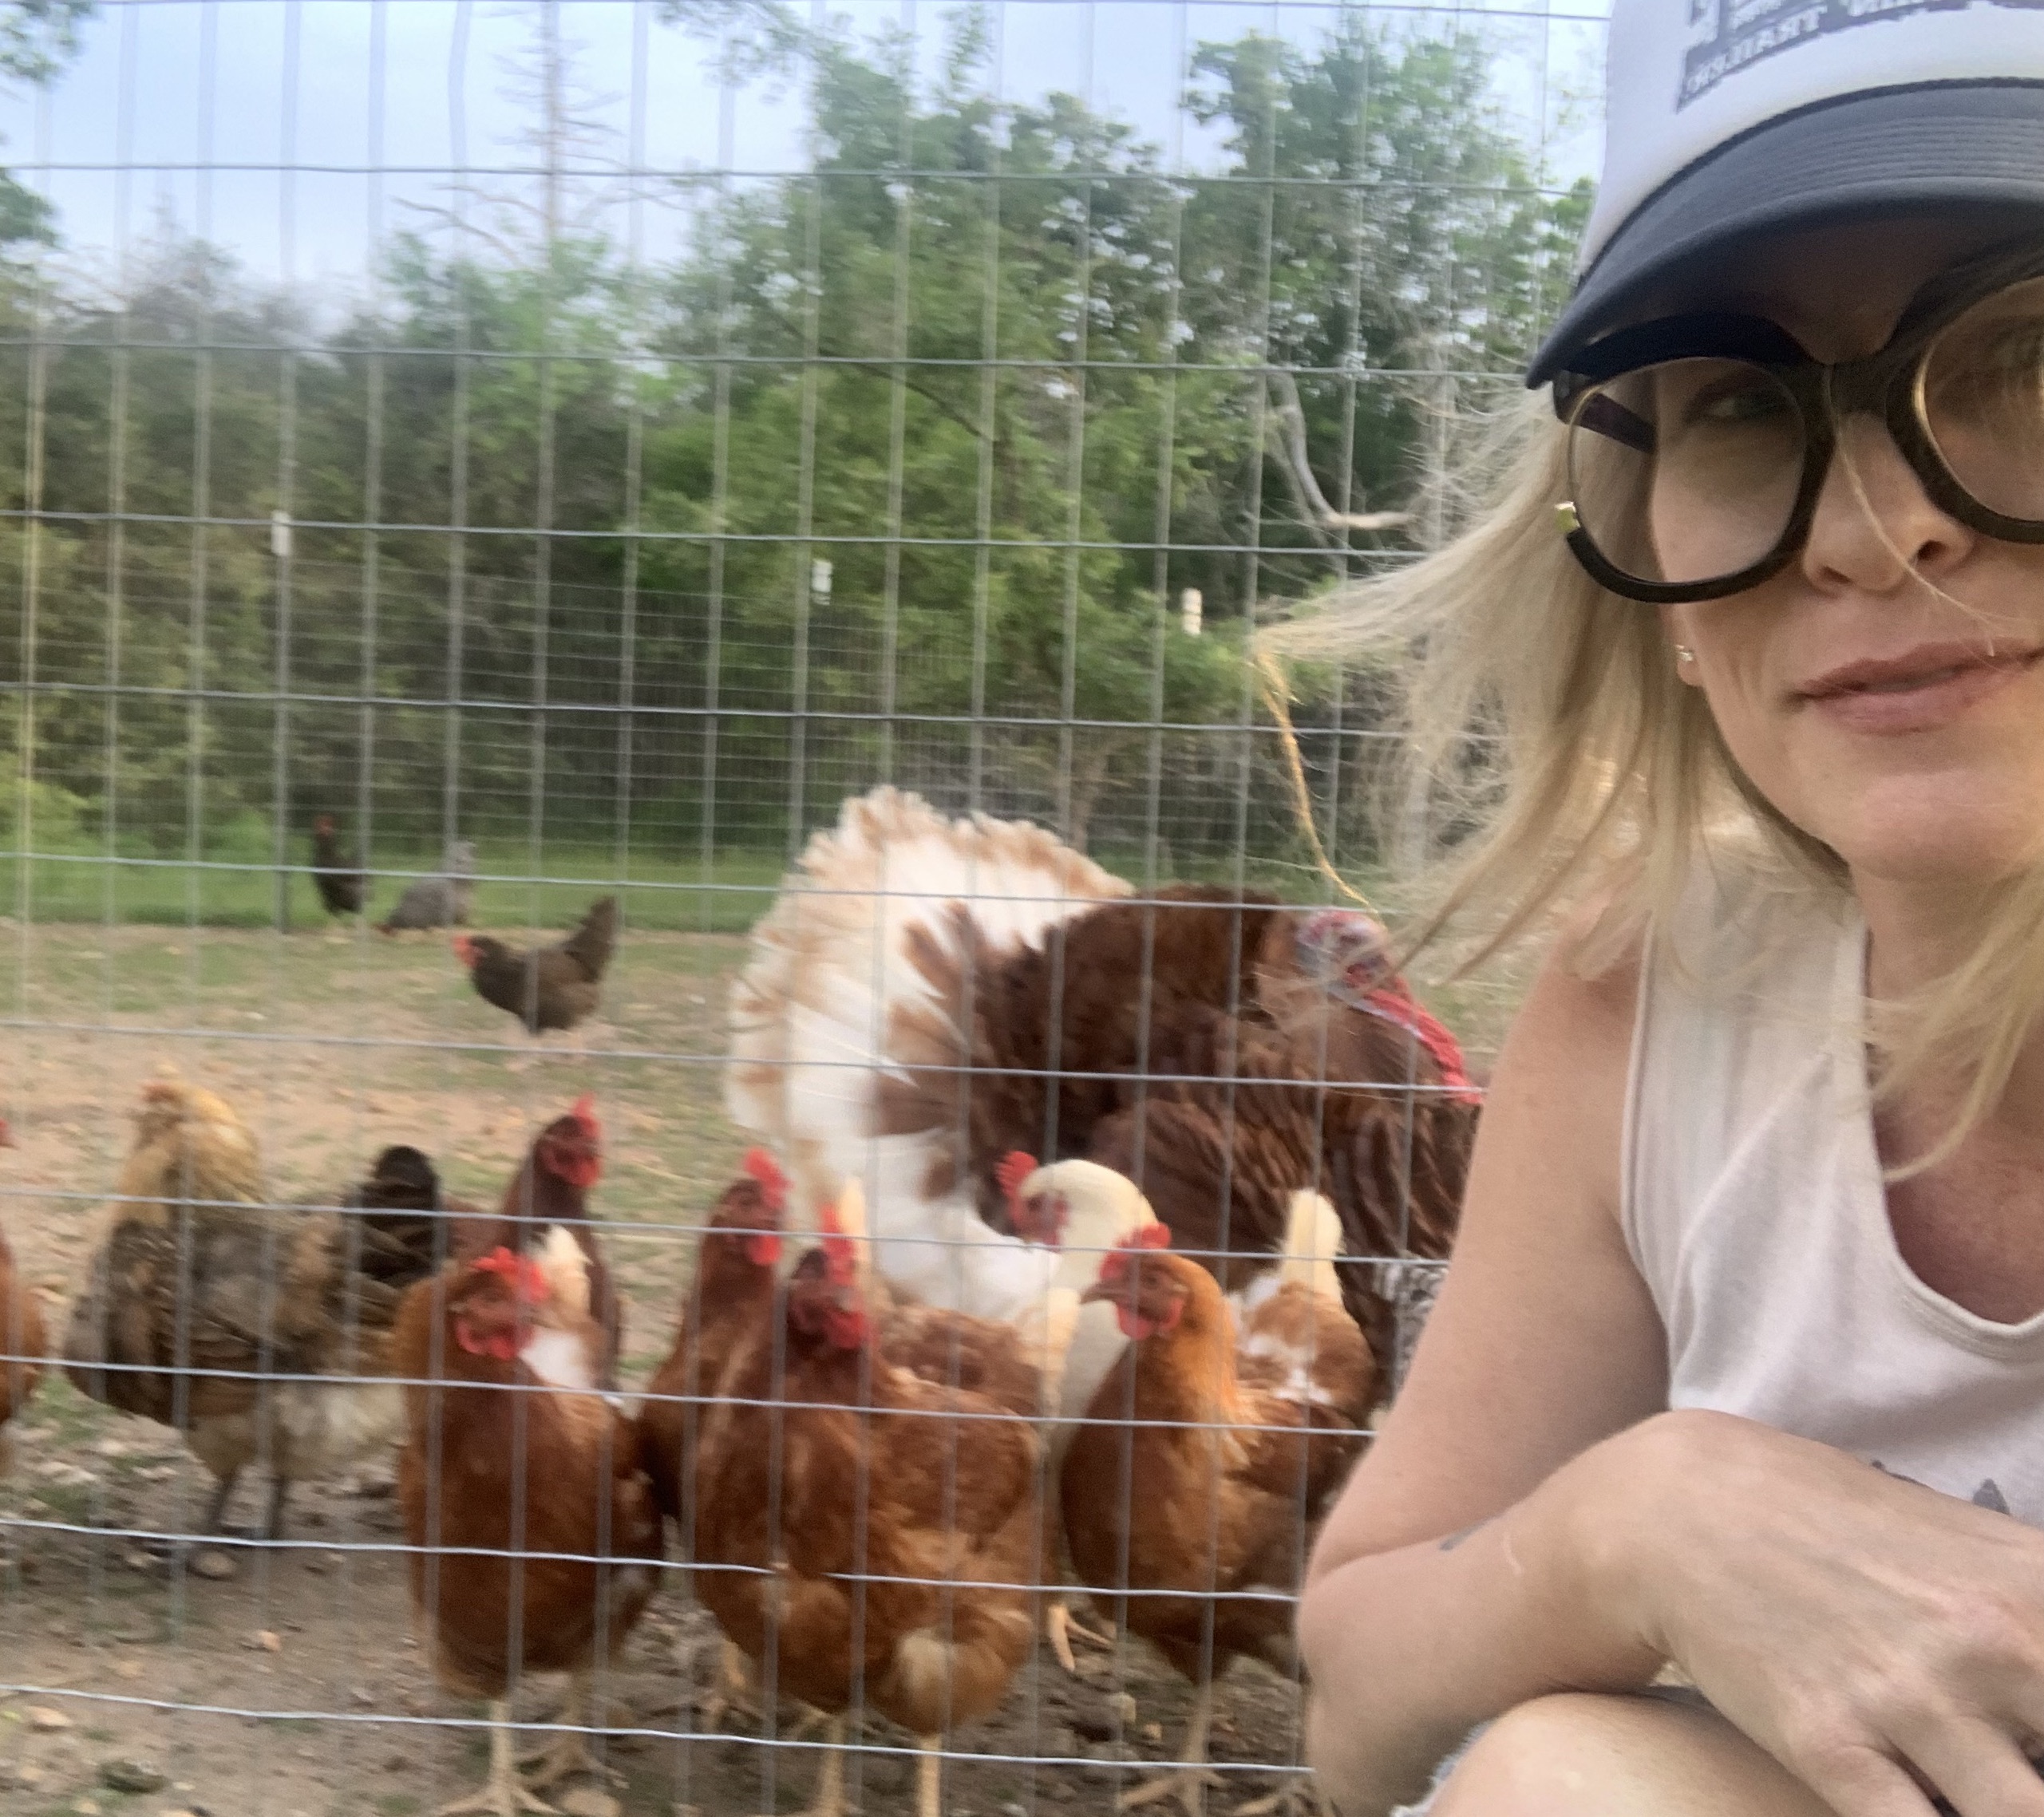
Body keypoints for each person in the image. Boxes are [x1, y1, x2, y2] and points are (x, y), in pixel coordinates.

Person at [1288, 6, 2044, 1815]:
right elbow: (1357, 1707)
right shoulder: (1657, 997)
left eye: (2025, 352)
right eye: (1740, 401)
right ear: (1660, 594)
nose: (1868, 532)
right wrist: (1643, 1517)